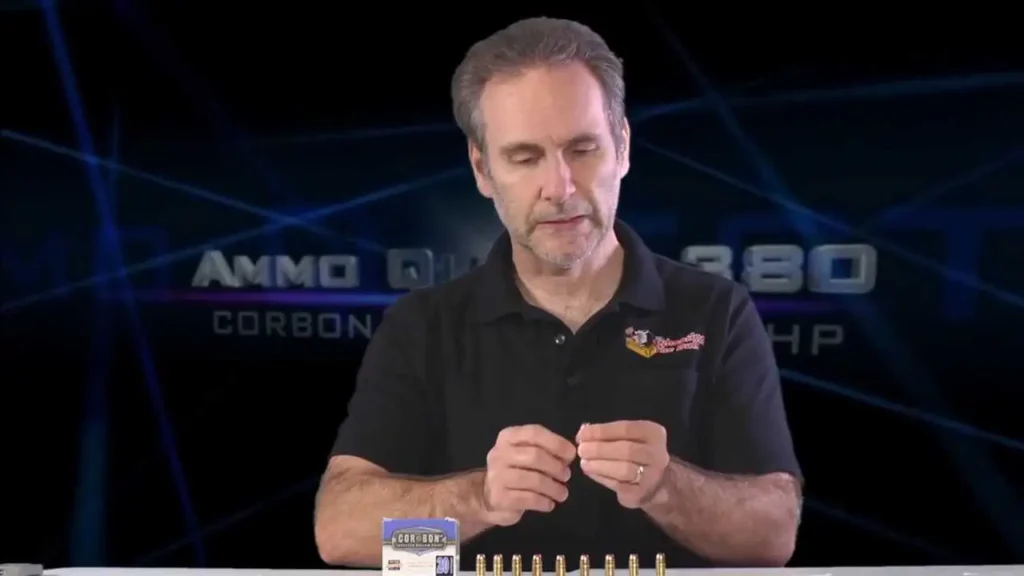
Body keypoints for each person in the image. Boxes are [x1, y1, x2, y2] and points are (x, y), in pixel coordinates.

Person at [314, 17, 802, 569]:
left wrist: (667, 488)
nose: (560, 188)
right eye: (525, 158)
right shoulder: (423, 325)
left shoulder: (717, 312)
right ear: (483, 169)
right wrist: (479, 501)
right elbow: (343, 536)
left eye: (583, 149)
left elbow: (770, 542)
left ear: (621, 147)